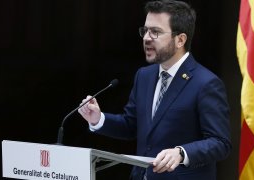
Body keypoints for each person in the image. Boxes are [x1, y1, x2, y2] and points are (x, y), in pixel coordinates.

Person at [78, 0, 231, 179]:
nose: (146, 38)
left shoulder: (206, 83)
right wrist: (98, 119)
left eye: (155, 32)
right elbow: (131, 125)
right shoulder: (144, 76)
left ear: (180, 39)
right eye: (145, 31)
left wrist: (181, 153)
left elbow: (220, 143)